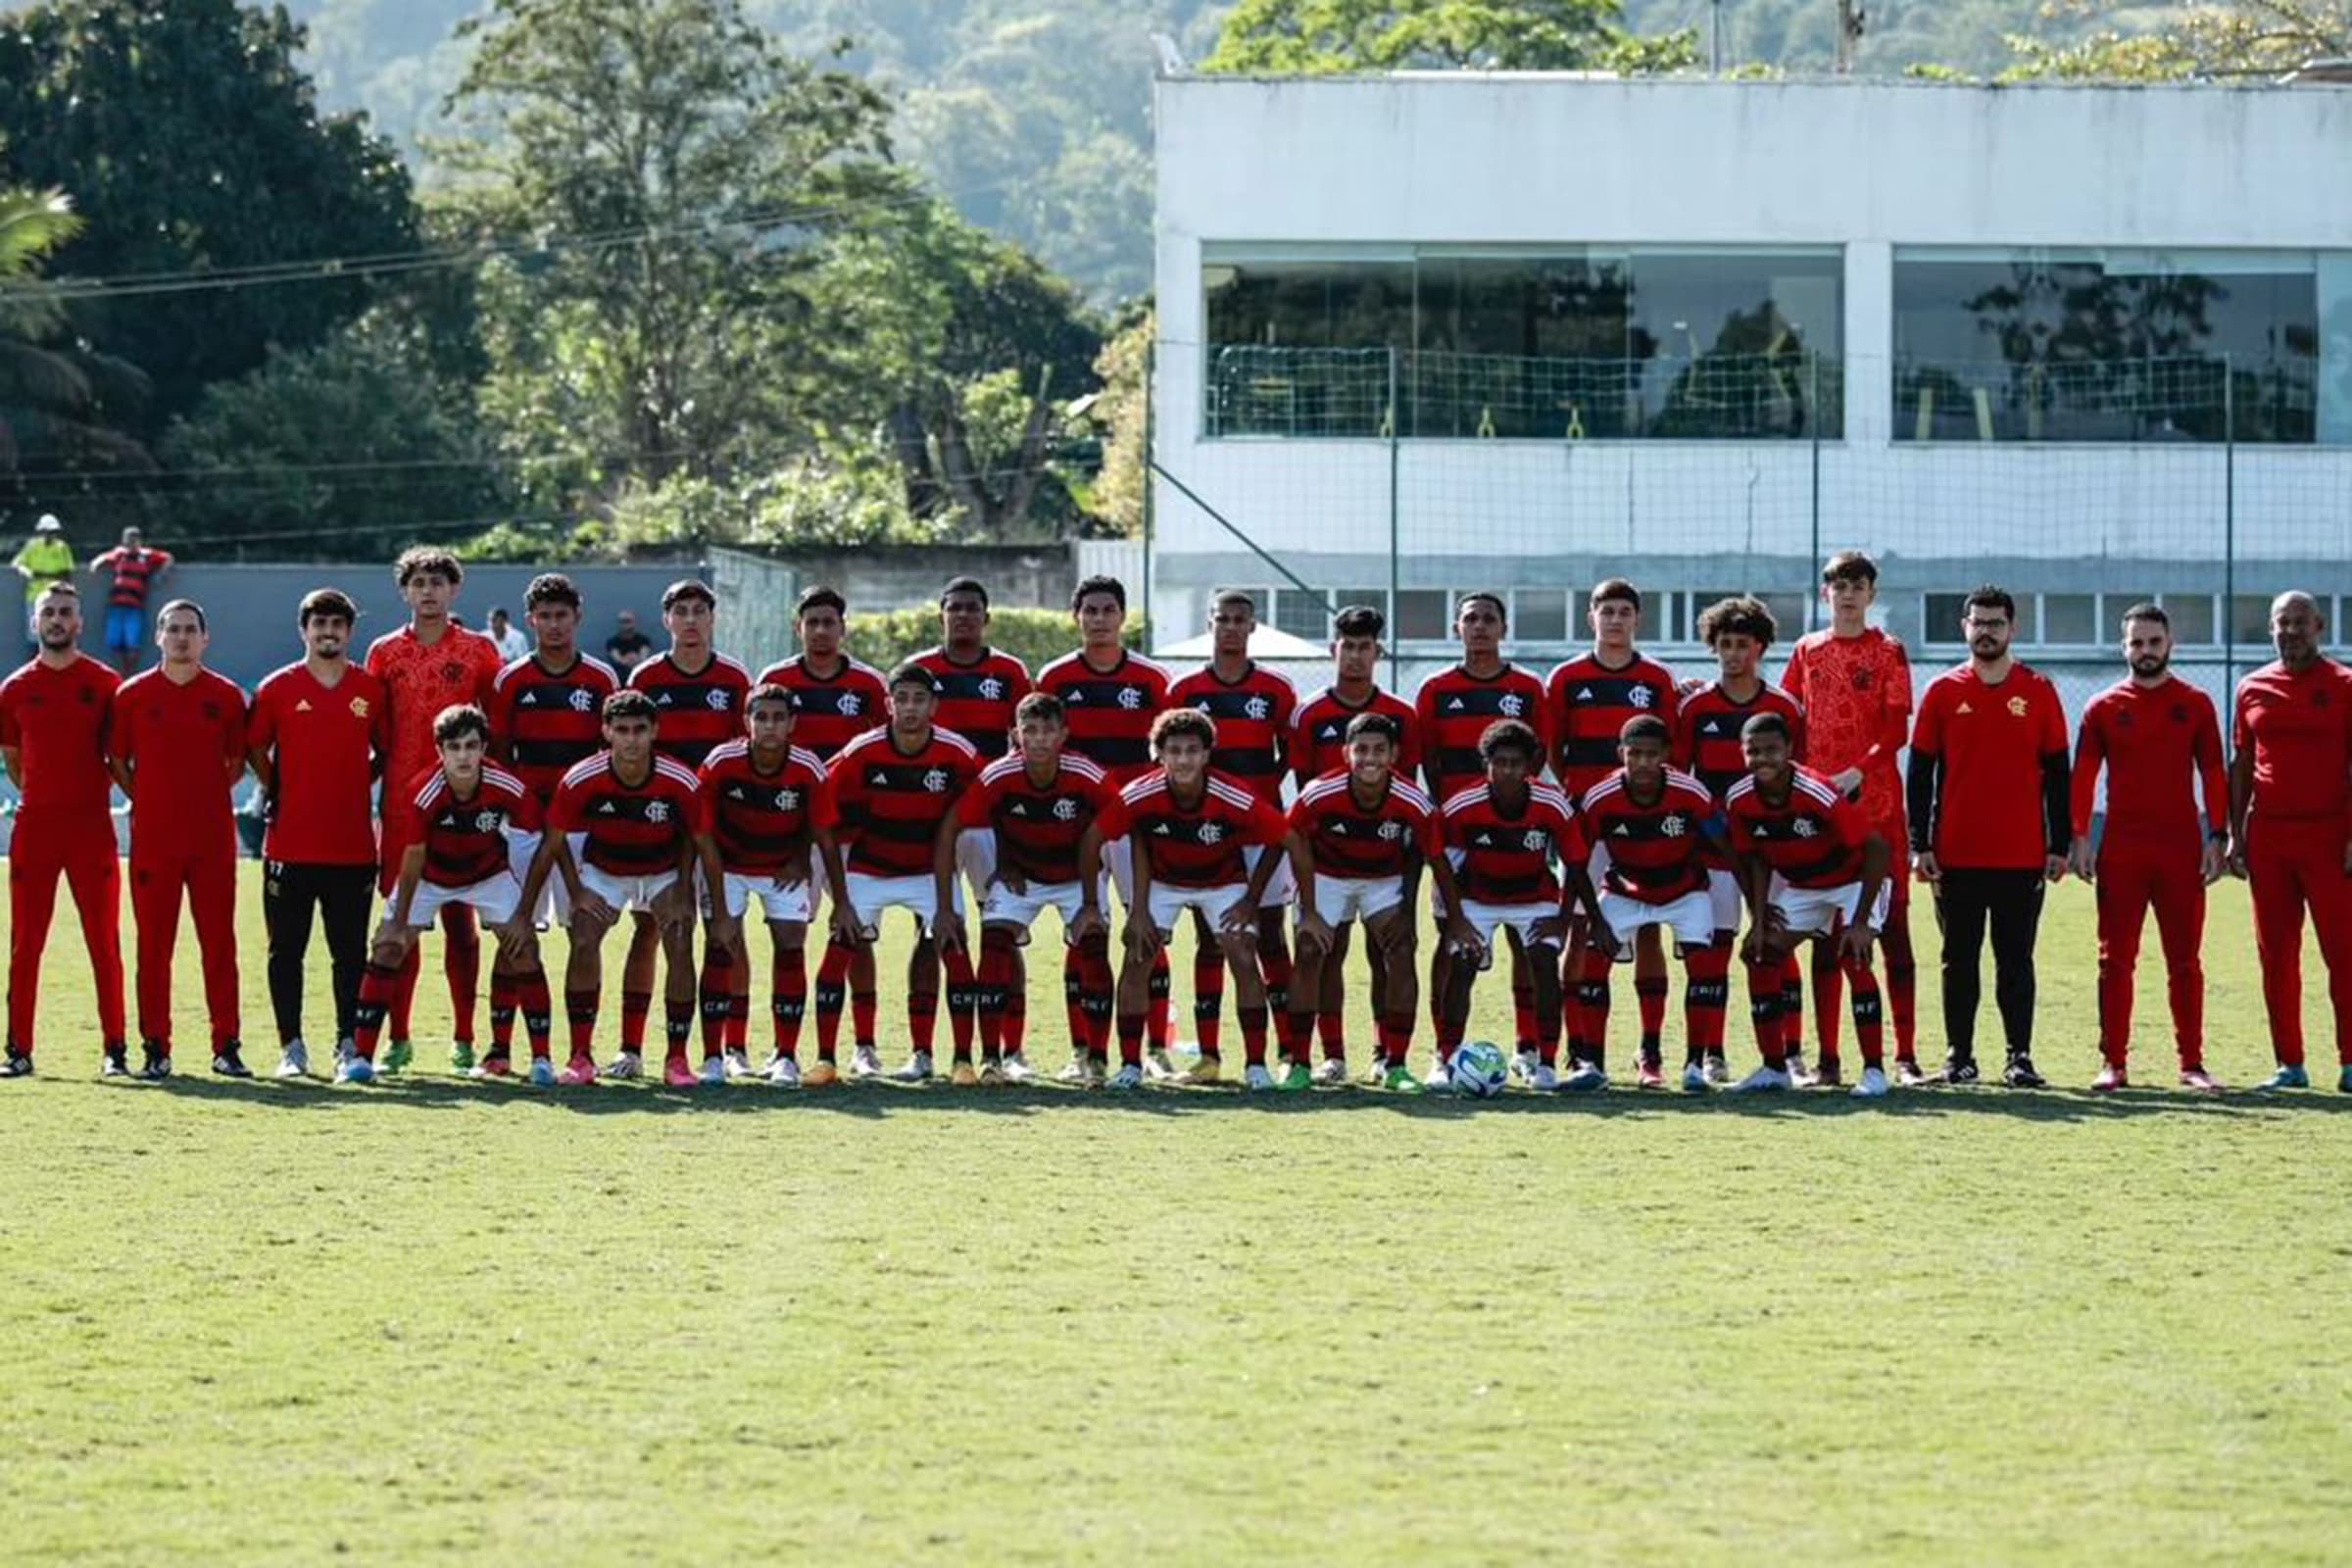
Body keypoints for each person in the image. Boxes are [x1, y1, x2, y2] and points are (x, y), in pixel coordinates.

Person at [1907, 584, 2071, 1089]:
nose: (1986, 632)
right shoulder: (1942, 691)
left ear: (2012, 629)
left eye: (1996, 623)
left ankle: (2019, 1057)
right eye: (1978, 623)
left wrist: (2059, 846)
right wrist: (1919, 844)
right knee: (1958, 960)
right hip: (1955, 856)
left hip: (2021, 856)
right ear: (1965, 628)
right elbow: (1920, 774)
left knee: (2015, 960)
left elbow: (2058, 774)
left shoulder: (2038, 690)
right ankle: (1959, 1056)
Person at [515, 690, 722, 1086]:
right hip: (605, 870)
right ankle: (580, 1056)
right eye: (622, 730)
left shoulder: (680, 779)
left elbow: (703, 844)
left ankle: (676, 1059)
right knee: (583, 939)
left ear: (655, 731)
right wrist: (572, 893)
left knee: (680, 937)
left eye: (639, 730)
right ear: (606, 731)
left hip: (662, 871)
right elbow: (553, 843)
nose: (631, 739)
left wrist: (692, 894)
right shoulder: (581, 778)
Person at [346, 707, 553, 1085]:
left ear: (484, 749)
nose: (463, 756)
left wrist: (525, 915)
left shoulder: (507, 786)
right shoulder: (424, 790)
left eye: (471, 746)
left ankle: (542, 1060)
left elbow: (536, 844)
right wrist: (400, 922)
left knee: (523, 948)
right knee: (387, 947)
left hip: (488, 875)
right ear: (439, 750)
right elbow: (413, 856)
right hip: (430, 877)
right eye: (454, 747)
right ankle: (360, 1058)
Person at [2069, 605, 2229, 1093]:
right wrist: (2080, 836)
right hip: (2122, 850)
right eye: (2136, 643)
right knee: (2115, 960)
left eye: (2154, 642)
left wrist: (2217, 835)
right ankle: (2113, 1062)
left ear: (2169, 644)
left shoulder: (2196, 704)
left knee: (2186, 961)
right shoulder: (2102, 707)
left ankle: (2192, 1063)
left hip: (2180, 849)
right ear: (2123, 647)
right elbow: (2083, 776)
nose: (2146, 651)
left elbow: (2213, 772)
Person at [1781, 549, 1923, 1083]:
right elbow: (1787, 718)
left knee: (1894, 934)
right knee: (1827, 936)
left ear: (1871, 594)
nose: (1847, 594)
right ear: (1825, 593)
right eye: (1839, 585)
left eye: (1857, 585)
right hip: (1820, 816)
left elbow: (1896, 730)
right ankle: (1828, 1059)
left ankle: (1904, 1056)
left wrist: (1858, 772)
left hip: (1878, 810)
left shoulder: (1888, 650)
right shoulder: (1807, 649)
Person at [932, 691, 1125, 1083]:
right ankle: (991, 1059)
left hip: (1077, 878)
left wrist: (1093, 899)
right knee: (995, 946)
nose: (1038, 739)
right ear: (1015, 734)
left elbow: (1120, 822)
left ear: (1063, 734)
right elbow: (952, 827)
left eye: (1047, 730)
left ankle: (1096, 1059)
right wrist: (949, 905)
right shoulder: (999, 774)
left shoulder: (1087, 774)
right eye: (1030, 730)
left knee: (1093, 948)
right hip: (1022, 878)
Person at [366, 548, 504, 1073]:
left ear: (454, 590)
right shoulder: (384, 652)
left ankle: (464, 1037)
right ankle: (397, 1038)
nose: (428, 591)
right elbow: (378, 728)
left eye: (438, 582)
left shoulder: (478, 651)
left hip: (463, 804)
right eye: (419, 583)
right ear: (405, 590)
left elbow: (494, 724)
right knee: (402, 922)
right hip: (402, 806)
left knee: (461, 924)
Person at [1100, 709, 1289, 1091]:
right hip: (1164, 883)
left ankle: (1256, 1066)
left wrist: (1251, 900)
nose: (1183, 759)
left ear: (1206, 754)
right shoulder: (1140, 792)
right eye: (1174, 751)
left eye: (1191, 751)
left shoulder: (1231, 793)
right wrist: (1136, 908)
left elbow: (1285, 838)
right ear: (1159, 754)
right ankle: (1130, 1066)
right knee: (1137, 956)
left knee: (1242, 952)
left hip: (1223, 883)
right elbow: (1098, 836)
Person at [1036, 576, 1175, 1078]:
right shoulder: (1054, 677)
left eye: (1107, 610)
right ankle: (1083, 1052)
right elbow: (1042, 746)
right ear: (1076, 616)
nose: (1099, 619)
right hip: (1080, 828)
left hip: (1137, 827)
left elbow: (1168, 752)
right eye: (1090, 611)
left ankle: (1155, 1049)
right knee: (1084, 934)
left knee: (1147, 931)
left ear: (1122, 616)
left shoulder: (1152, 679)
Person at [817, 663, 982, 1084]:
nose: (910, 707)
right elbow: (823, 812)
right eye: (902, 699)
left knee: (953, 944)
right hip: (869, 867)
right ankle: (833, 1057)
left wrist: (946, 905)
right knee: (841, 945)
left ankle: (954, 1059)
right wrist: (841, 900)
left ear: (934, 706)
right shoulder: (861, 751)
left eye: (919, 699)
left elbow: (986, 804)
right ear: (889, 704)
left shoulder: (958, 753)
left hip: (929, 871)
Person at [247, 588, 387, 1078]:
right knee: (286, 951)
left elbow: (386, 751)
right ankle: (291, 1048)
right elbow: (256, 749)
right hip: (289, 845)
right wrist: (280, 787)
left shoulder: (370, 689)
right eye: (319, 624)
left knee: (349, 954)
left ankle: (349, 1045)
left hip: (352, 848)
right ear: (303, 630)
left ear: (349, 632)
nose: (328, 632)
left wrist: (355, 781)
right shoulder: (277, 688)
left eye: (337, 625)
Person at [1288, 711, 1467, 1093]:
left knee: (1401, 949)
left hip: (1382, 882)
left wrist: (1452, 917)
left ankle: (1394, 1065)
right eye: (1362, 749)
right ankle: (1303, 1063)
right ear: (1346, 753)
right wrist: (1309, 910)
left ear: (1394, 755)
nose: (1370, 758)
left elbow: (1436, 859)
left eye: (1379, 750)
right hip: (1326, 877)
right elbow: (1290, 840)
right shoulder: (1319, 792)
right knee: (1310, 949)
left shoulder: (1412, 799)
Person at [1547, 579, 1682, 1087]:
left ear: (1637, 619)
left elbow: (1671, 748)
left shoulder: (1657, 679)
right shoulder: (1566, 677)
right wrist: (1579, 797)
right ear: (1592, 617)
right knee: (1581, 932)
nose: (1616, 620)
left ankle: (1650, 1053)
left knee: (1648, 926)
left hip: (1644, 824)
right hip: (1587, 825)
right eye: (1607, 611)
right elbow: (1554, 748)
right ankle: (1583, 1052)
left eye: (1625, 611)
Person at [108, 600, 248, 1079]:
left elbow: (236, 764)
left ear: (205, 638)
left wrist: (200, 796)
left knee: (219, 945)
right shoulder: (132, 695)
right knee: (153, 947)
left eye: (190, 630)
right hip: (154, 841)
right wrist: (150, 797)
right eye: (173, 629)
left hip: (212, 840)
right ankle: (156, 1048)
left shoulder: (226, 696)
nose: (182, 637)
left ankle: (226, 1046)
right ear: (158, 637)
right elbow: (118, 762)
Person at [1673, 595, 1808, 1090]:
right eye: (1725, 644)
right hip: (1716, 855)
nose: (1733, 654)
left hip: (1774, 854)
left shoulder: (1784, 708)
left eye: (1743, 645)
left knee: (1776, 948)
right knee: (1715, 950)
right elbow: (1680, 778)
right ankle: (1713, 1054)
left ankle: (1789, 1054)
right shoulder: (1695, 707)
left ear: (1761, 648)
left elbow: (1800, 776)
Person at [619, 580, 752, 1073]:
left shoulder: (734, 678)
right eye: (681, 611)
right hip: (660, 824)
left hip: (719, 828)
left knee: (728, 932)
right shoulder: (646, 677)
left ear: (712, 618)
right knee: (649, 929)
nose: (691, 620)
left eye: (699, 611)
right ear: (667, 620)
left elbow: (745, 751)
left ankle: (733, 1049)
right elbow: (630, 748)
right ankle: (631, 1049)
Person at [1726, 712, 1894, 1099]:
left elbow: (1876, 849)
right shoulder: (1740, 798)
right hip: (1804, 885)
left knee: (1854, 955)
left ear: (1789, 750)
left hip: (1853, 880)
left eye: (1771, 750)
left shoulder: (1816, 791)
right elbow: (1755, 858)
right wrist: (1759, 917)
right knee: (1760, 954)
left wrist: (1860, 922)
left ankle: (1874, 1071)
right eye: (1754, 751)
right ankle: (1774, 1068)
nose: (1762, 759)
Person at [487, 572, 619, 1058]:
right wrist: (519, 810)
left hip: (583, 829)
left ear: (576, 618)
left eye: (562, 615)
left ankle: (580, 1053)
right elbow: (500, 753)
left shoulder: (601, 679)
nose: (554, 624)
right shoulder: (511, 679)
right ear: (531, 620)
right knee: (513, 934)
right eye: (545, 616)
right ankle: (500, 1051)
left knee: (584, 936)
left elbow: (611, 754)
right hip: (525, 828)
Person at [759, 586, 890, 1075]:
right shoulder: (775, 681)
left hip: (853, 835)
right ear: (798, 628)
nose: (820, 630)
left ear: (843, 628)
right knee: (788, 937)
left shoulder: (868, 684)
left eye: (828, 622)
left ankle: (865, 1045)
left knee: (858, 934)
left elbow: (886, 749)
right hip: (792, 836)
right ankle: (777, 1048)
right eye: (811, 622)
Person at [1170, 590, 1299, 1081]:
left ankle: (1289, 1052)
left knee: (1270, 938)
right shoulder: (1185, 689)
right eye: (1222, 618)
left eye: (1239, 619)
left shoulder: (1276, 688)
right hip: (1207, 831)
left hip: (1261, 831)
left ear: (1252, 626)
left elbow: (1290, 753)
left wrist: (1259, 795)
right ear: (1210, 624)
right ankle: (1209, 1056)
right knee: (1211, 939)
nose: (1230, 626)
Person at [1419, 591, 1549, 1080]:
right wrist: (1455, 815)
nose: (1479, 626)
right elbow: (1428, 759)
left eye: (1488, 619)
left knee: (1524, 937)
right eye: (1470, 619)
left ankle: (1528, 1047)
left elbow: (1539, 754)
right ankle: (1443, 1053)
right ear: (1457, 628)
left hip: (1518, 828)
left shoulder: (1528, 687)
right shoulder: (1436, 688)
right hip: (1457, 835)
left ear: (1503, 628)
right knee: (1450, 940)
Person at [694, 685, 852, 1087]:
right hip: (727, 866)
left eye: (779, 718)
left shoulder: (807, 767)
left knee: (791, 948)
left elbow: (824, 836)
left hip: (783, 868)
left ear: (792, 724)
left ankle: (785, 1056)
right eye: (761, 717)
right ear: (746, 722)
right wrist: (720, 907)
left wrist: (841, 900)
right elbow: (702, 834)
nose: (769, 726)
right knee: (720, 946)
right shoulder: (721, 762)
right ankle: (720, 1055)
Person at [2227, 590, 2352, 1093]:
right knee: (2276, 955)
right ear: (2271, 628)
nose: (2291, 632)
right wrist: (2236, 835)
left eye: (2300, 622)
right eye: (2283, 623)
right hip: (2270, 838)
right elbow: (2241, 764)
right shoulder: (2251, 688)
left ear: (2319, 626)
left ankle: (2350, 1062)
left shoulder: (2344, 685)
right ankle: (2289, 1064)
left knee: (2343, 953)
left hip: (2331, 838)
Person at [0, 581, 127, 1075]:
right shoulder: (14, 688)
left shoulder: (105, 683)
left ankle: (115, 1050)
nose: (57, 620)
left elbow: (117, 755)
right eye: (49, 612)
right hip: (36, 828)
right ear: (35, 622)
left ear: (80, 622)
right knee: (26, 941)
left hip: (91, 827)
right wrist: (44, 795)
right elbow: (14, 760)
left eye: (65, 612)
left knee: (104, 940)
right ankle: (18, 1050)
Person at [1437, 719, 1604, 1091]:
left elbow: (1575, 866)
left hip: (1534, 899)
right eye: (1499, 762)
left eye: (1516, 763)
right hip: (1478, 899)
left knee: (1544, 962)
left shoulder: (1552, 803)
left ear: (1530, 766)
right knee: (1462, 964)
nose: (1508, 771)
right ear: (1486, 764)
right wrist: (1456, 919)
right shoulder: (1462, 805)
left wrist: (1564, 920)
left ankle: (1545, 1065)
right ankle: (1445, 1058)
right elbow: (1443, 865)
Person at [1291, 605, 1419, 1079]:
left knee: (1391, 953)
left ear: (1377, 653)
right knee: (1324, 952)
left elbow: (1406, 796)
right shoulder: (1309, 713)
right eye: (1348, 647)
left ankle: (1389, 1058)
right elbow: (1305, 798)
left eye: (1365, 647)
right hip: (1326, 866)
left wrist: (1408, 896)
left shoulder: (1402, 715)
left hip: (1384, 867)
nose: (1356, 656)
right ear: (1333, 650)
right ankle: (1332, 1056)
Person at [1567, 716, 1726, 1093]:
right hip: (1625, 890)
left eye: (1651, 755)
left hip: (1684, 891)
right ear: (1620, 753)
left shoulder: (1690, 793)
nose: (1642, 762)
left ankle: (1692, 1064)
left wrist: (1756, 903)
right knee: (1593, 965)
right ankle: (1593, 1064)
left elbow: (1727, 845)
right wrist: (1593, 919)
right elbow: (1577, 860)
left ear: (1666, 755)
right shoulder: (1600, 797)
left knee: (1705, 970)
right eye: (1634, 754)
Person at [912, 577, 1032, 1062]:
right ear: (940, 615)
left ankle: (1013, 1052)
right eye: (954, 608)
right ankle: (922, 1051)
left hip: (988, 826)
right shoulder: (920, 670)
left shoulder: (1009, 671)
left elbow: (1024, 744)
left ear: (987, 618)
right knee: (929, 932)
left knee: (1000, 929)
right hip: (929, 821)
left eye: (971, 609)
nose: (962, 616)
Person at [89, 526, 174, 675]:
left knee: (132, 644)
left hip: (135, 607)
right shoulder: (120, 554)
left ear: (139, 541)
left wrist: (162, 575)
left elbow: (168, 558)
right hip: (116, 605)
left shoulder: (146, 555)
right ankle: (118, 674)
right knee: (114, 643)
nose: (131, 543)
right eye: (128, 540)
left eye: (134, 539)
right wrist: (96, 564)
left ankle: (129, 674)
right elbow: (102, 558)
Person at [12, 514, 75, 652]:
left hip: (56, 597)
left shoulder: (62, 547)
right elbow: (18, 563)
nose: (50, 535)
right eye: (47, 531)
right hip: (35, 596)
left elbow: (67, 572)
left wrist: (68, 593)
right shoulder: (32, 546)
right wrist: (27, 572)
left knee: (56, 632)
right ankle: (35, 658)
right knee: (35, 632)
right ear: (41, 532)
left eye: (53, 532)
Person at [605, 610, 654, 678]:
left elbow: (643, 658)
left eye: (628, 621)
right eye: (622, 622)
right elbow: (618, 659)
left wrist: (630, 660)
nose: (625, 625)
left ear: (634, 622)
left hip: (640, 677)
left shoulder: (644, 640)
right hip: (620, 678)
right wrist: (630, 659)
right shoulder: (612, 642)